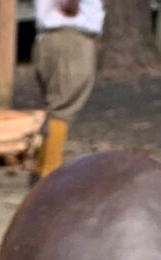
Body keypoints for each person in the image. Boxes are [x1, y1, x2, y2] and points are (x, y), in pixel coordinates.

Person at [34, 0, 102, 177]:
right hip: (71, 37)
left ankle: (42, 170)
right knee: (63, 108)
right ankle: (49, 174)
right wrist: (72, 6)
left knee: (53, 107)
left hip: (49, 37)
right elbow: (70, 6)